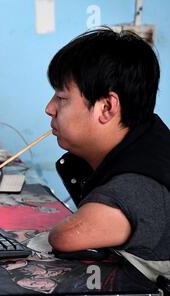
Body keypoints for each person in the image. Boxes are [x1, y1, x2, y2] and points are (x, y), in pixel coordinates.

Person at [45, 28, 170, 282]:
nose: (49, 109)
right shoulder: (146, 137)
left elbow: (69, 236)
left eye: (61, 98)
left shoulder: (141, 182)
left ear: (106, 107)